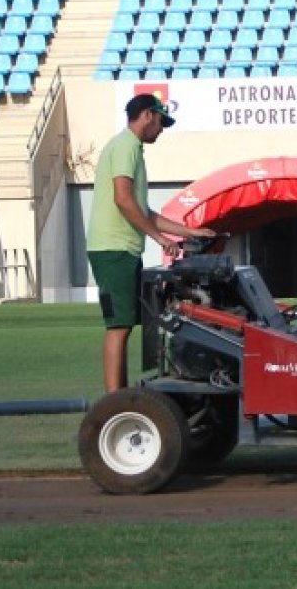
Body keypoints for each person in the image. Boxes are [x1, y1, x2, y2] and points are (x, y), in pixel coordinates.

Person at [87, 94, 216, 392]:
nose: (161, 129)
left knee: (124, 326)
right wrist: (158, 238)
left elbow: (143, 211)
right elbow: (123, 200)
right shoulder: (125, 147)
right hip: (113, 249)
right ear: (147, 115)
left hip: (122, 249)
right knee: (118, 327)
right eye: (161, 122)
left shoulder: (130, 148)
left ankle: (119, 394)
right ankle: (114, 400)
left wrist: (190, 232)